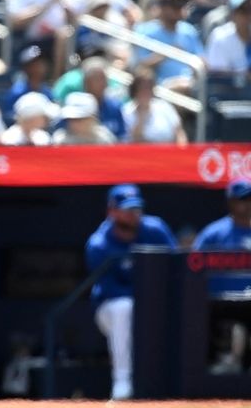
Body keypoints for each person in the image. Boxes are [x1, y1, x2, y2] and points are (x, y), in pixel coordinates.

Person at [86, 184, 177, 400]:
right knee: (124, 308)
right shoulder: (99, 244)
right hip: (110, 310)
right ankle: (122, 383)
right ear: (112, 211)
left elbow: (177, 267)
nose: (134, 214)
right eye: (127, 209)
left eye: (136, 208)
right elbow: (111, 290)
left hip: (153, 304)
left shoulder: (156, 229)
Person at [193, 178, 251, 374]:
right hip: (219, 301)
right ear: (231, 202)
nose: (248, 204)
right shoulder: (213, 234)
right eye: (243, 199)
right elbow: (193, 267)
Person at [122, 67, 188, 144]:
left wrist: (181, 151)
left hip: (169, 152)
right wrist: (142, 112)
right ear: (135, 90)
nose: (146, 91)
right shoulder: (127, 111)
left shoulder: (164, 106)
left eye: (149, 87)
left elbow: (179, 132)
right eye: (142, 88)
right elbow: (134, 140)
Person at [205, 0, 251, 76]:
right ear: (232, 15)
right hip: (232, 88)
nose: (249, 16)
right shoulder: (221, 37)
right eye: (244, 11)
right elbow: (219, 77)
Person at [52, 91, 116, 144]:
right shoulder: (61, 140)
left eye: (80, 119)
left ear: (92, 118)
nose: (74, 124)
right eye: (71, 119)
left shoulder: (105, 140)